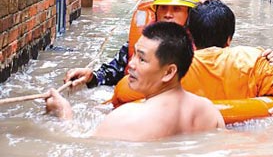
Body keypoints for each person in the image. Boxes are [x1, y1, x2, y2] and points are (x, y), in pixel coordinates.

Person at [65, 0, 273, 91]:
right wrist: (92, 76)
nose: (168, 13)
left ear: (189, 15)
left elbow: (234, 69)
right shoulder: (140, 47)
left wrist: (265, 60)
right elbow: (111, 73)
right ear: (155, 12)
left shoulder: (206, 44)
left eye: (176, 9)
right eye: (164, 8)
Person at [46, 22, 225, 141]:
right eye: (133, 55)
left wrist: (64, 115)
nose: (130, 64)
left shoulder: (127, 118)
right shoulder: (210, 112)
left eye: (142, 59)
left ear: (169, 72)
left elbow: (80, 146)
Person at [182, 0, 273, 101]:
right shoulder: (254, 58)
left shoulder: (177, 63)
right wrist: (271, 66)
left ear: (190, 36)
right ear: (229, 38)